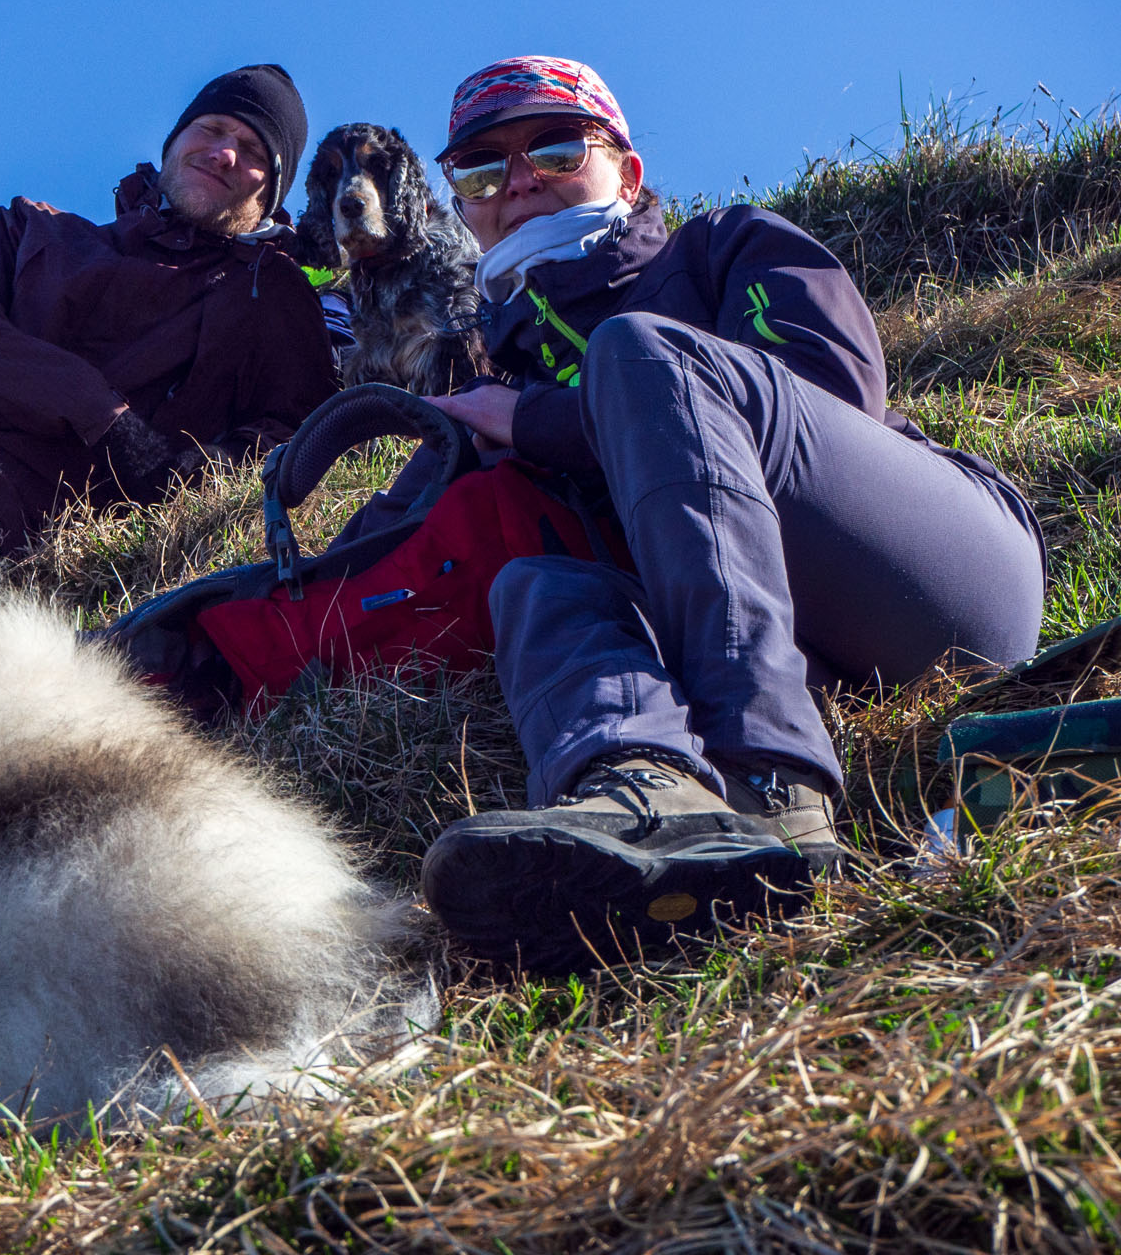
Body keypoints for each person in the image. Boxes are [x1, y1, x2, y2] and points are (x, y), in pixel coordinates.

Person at [404, 57, 1045, 970]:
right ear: (464, 207)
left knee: (637, 351)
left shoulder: (721, 248)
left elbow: (828, 393)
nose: (518, 181)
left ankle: (775, 786)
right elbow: (383, 548)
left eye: (554, 146)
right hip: (793, 643)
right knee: (538, 584)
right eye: (480, 169)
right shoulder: (496, 386)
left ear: (626, 171)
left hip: (942, 582)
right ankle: (652, 797)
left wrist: (545, 422)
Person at [0, 64, 338, 552]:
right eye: (210, 129)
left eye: (252, 152)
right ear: (174, 143)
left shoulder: (271, 294)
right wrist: (104, 419)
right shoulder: (32, 230)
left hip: (7, 531)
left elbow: (299, 431)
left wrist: (191, 469)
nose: (224, 153)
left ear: (270, 196)